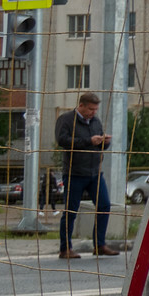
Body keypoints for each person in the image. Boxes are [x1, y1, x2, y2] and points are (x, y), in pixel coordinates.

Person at [55, 91, 120, 260]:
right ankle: (65, 248)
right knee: (71, 211)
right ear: (81, 105)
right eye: (91, 109)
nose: (93, 112)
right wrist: (88, 141)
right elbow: (62, 141)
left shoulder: (96, 122)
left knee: (104, 206)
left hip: (95, 173)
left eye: (96, 109)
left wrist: (105, 143)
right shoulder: (66, 119)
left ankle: (99, 245)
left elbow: (97, 146)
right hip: (74, 172)